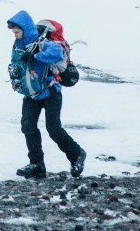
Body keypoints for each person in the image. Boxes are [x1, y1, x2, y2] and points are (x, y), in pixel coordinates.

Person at [8, 10, 86, 179]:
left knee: (53, 129)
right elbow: (15, 62)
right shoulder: (18, 45)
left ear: (25, 29)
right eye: (14, 33)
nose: (15, 35)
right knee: (28, 126)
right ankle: (37, 164)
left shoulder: (42, 42)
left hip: (51, 92)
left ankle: (77, 155)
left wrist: (35, 55)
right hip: (31, 92)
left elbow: (56, 53)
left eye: (17, 32)